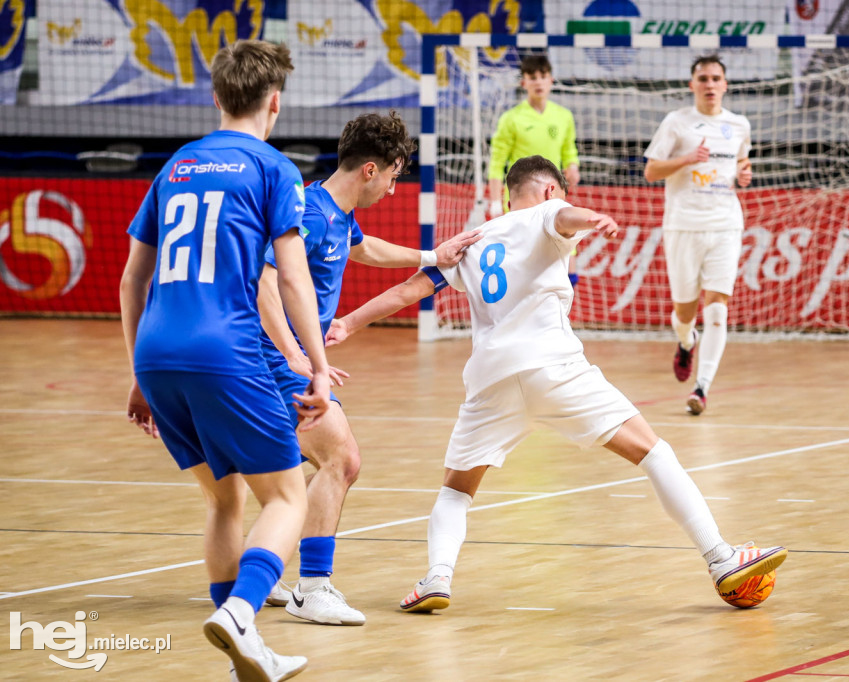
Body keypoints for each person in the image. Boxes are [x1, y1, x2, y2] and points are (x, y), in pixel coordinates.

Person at [325, 156, 786, 614]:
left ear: (508, 194)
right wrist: (595, 218)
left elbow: (409, 290)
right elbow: (565, 217)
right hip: (553, 367)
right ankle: (721, 559)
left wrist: (348, 322)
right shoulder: (548, 212)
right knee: (654, 453)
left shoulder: (473, 238)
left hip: (491, 381)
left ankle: (436, 577)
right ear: (548, 190)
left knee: (455, 492)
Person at [120, 39, 330, 681]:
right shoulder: (273, 168)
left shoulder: (176, 165)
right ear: (275, 103)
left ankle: (246, 652)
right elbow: (292, 279)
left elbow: (132, 278)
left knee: (223, 502)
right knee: (288, 496)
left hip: (157, 350)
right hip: (225, 350)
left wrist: (136, 371)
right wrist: (316, 366)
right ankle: (241, 612)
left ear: (216, 98)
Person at [255, 111, 482, 626]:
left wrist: (432, 253)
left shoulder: (335, 211)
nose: (396, 191)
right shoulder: (310, 213)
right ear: (372, 170)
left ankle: (256, 573)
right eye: (396, 177)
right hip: (276, 361)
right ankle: (311, 588)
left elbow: (365, 247)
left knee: (287, 472)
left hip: (284, 360)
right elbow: (265, 283)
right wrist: (296, 356)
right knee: (343, 461)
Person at [643, 55, 753, 416]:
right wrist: (687, 159)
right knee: (685, 312)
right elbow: (651, 170)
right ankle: (686, 342)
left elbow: (740, 163)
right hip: (683, 225)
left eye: (715, 78)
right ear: (692, 85)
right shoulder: (677, 123)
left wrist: (743, 173)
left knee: (718, 306)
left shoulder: (738, 125)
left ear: (725, 84)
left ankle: (701, 388)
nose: (709, 84)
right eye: (703, 78)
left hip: (725, 224)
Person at [488, 53, 581, 286]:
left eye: (543, 76)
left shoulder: (563, 116)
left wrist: (573, 165)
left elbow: (569, 149)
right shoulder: (511, 119)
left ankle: (560, 318)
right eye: (532, 77)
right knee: (521, 263)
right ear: (524, 83)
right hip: (522, 200)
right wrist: (494, 202)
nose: (538, 82)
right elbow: (497, 163)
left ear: (551, 80)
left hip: (554, 196)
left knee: (567, 259)